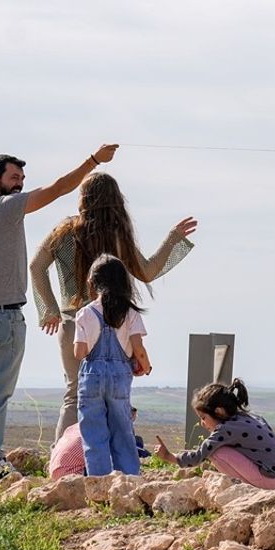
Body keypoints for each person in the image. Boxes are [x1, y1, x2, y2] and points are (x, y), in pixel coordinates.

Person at [0, 145, 118, 482]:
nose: (20, 184)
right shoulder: (7, 207)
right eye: (14, 178)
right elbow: (58, 188)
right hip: (4, 315)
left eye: (22, 178)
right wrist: (94, 161)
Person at [31, 171, 196, 440]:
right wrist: (172, 239)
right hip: (117, 322)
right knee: (116, 394)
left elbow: (36, 266)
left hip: (73, 322)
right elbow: (147, 271)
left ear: (84, 198)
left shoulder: (64, 232)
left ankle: (63, 463)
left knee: (74, 394)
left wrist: (49, 309)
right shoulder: (118, 237)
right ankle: (114, 460)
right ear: (115, 200)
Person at [75, 254, 151, 476]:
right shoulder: (130, 313)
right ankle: (128, 479)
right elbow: (139, 349)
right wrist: (146, 367)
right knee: (123, 430)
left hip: (91, 377)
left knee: (93, 431)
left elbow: (79, 352)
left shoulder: (85, 313)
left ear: (92, 282)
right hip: (120, 376)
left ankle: (99, 481)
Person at [153, 379, 275, 489]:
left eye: (203, 417)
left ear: (219, 412)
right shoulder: (249, 417)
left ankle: (244, 488)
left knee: (216, 452)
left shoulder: (225, 429)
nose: (202, 423)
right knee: (220, 449)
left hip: (270, 480)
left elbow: (199, 455)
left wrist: (168, 456)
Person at [49, 406, 149, 480]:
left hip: (58, 472)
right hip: (73, 476)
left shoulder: (83, 425)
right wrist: (150, 456)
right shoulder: (103, 431)